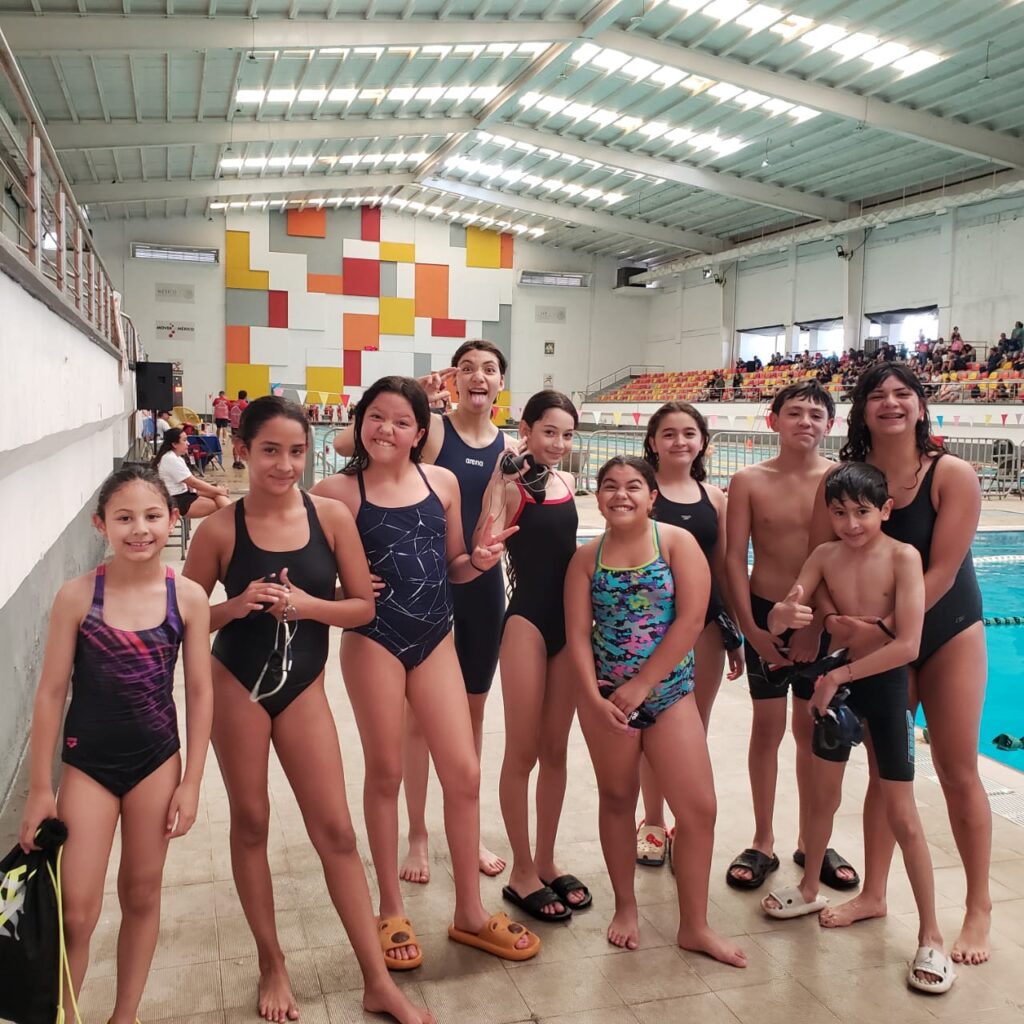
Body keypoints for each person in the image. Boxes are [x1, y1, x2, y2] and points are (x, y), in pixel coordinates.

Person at [184, 396, 434, 1023]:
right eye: (270, 450)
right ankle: (272, 962)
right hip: (238, 685)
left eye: (296, 451)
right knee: (251, 824)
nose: (284, 464)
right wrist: (236, 605)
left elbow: (362, 608)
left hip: (304, 688)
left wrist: (307, 606)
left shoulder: (330, 518)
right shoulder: (220, 530)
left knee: (338, 834)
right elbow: (184, 621)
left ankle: (377, 982)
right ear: (242, 450)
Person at [313, 376, 540, 970]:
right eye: (375, 417)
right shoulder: (336, 491)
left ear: (420, 433)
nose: (387, 429)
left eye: (401, 421)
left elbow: (456, 567)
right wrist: (342, 590)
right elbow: (310, 583)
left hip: (437, 636)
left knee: (463, 772)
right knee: (386, 772)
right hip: (373, 641)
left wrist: (482, 560)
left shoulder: (438, 483)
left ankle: (469, 910)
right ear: (359, 422)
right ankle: (390, 907)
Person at [809, 362, 990, 966]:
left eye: (902, 393)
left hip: (946, 629)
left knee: (959, 766)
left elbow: (940, 570)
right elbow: (825, 560)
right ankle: (876, 892)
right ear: (861, 410)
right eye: (876, 395)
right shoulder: (844, 480)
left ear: (920, 404)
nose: (890, 402)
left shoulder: (951, 474)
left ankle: (978, 907)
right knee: (887, 770)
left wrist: (886, 630)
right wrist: (838, 624)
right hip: (873, 638)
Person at [19, 467, 214, 1024]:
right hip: (88, 766)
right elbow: (52, 693)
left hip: (156, 761)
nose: (140, 529)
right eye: (124, 518)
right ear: (100, 524)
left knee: (142, 894)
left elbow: (200, 693)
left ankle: (122, 1017)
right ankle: (65, 1013)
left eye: (153, 516)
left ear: (174, 520)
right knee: (77, 912)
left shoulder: (190, 598)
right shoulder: (77, 597)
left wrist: (193, 780)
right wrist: (39, 788)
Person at [763, 463, 954, 993]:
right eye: (840, 512)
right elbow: (787, 614)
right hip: (840, 686)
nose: (850, 524)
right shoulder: (824, 556)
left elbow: (907, 644)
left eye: (862, 513)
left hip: (884, 687)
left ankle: (932, 936)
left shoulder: (903, 557)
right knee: (822, 799)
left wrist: (836, 675)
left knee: (902, 813)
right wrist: (782, 615)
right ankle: (807, 888)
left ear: (886, 510)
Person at [332, 341, 513, 881]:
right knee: (405, 732)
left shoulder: (509, 445)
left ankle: (468, 836)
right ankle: (415, 835)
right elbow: (358, 441)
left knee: (466, 730)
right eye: (466, 368)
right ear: (452, 378)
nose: (478, 377)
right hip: (393, 612)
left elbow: (495, 521)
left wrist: (485, 560)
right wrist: (414, 398)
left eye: (489, 369)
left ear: (501, 381)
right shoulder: (430, 427)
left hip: (470, 590)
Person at [564, 456, 747, 966]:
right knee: (617, 799)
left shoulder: (675, 544)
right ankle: (626, 907)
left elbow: (690, 621)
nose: (620, 495)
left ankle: (695, 925)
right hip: (607, 700)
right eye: (609, 487)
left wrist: (643, 686)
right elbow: (578, 636)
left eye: (633, 487)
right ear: (596, 496)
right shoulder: (586, 559)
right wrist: (595, 698)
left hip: (667, 695)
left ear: (651, 497)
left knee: (699, 810)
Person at [723, 381, 859, 892]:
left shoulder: (840, 481)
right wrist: (751, 630)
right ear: (773, 420)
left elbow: (842, 558)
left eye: (816, 414)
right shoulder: (749, 480)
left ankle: (812, 841)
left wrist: (818, 625)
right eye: (795, 412)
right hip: (764, 613)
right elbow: (734, 558)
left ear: (831, 425)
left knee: (810, 731)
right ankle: (763, 839)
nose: (806, 421)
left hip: (821, 620)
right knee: (766, 730)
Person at [477, 390, 591, 921]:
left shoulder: (568, 484)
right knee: (521, 751)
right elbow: (485, 543)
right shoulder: (510, 483)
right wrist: (497, 489)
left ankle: (545, 859)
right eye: (550, 432)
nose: (559, 443)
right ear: (525, 430)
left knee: (556, 750)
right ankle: (521, 870)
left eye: (568, 434)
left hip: (570, 627)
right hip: (524, 623)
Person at [633, 403, 744, 868]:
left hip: (703, 629)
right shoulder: (641, 490)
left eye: (689, 433)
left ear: (702, 442)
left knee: (693, 728)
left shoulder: (714, 498)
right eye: (669, 433)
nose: (679, 442)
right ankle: (652, 820)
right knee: (651, 726)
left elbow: (720, 569)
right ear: (653, 441)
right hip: (648, 629)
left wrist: (734, 630)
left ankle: (684, 818)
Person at [154, 427, 231, 520]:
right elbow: (193, 482)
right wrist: (218, 490)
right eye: (185, 440)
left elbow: (192, 483)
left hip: (185, 493)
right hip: (178, 500)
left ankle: (239, 520)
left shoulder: (176, 457)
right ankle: (239, 520)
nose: (188, 443)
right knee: (219, 500)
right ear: (174, 444)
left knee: (218, 494)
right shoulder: (170, 459)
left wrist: (215, 489)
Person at [230, 389, 249, 469]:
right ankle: (240, 461)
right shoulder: (245, 405)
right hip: (241, 427)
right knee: (241, 444)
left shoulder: (233, 403)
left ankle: (235, 461)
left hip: (233, 426)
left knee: (235, 444)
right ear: (245, 396)